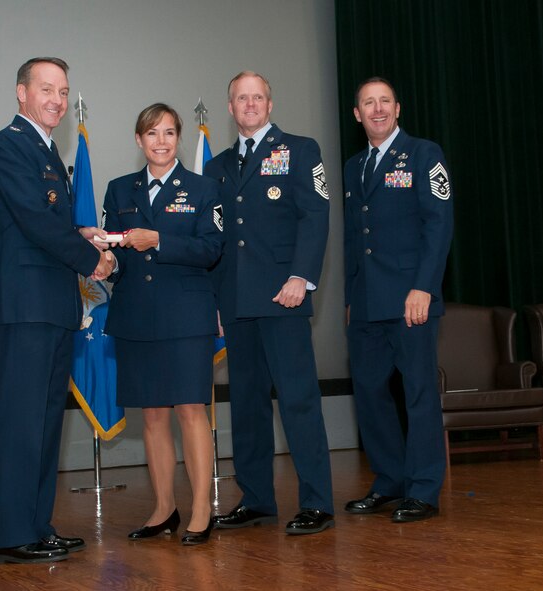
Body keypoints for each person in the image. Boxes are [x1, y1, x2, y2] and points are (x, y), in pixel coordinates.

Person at [0, 57, 115, 564]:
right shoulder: (8, 144)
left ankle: (36, 525)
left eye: (63, 90)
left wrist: (80, 237)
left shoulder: (47, 149)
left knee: (44, 423)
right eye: (46, 89)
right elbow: (35, 220)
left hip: (51, 304)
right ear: (21, 92)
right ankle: (11, 534)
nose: (57, 99)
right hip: (23, 304)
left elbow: (42, 222)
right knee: (22, 421)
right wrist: (91, 259)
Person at [204, 71, 334, 535]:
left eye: (257, 97)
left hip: (284, 296)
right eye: (241, 97)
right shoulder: (216, 167)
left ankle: (317, 501)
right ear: (230, 107)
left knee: (298, 401)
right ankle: (257, 498)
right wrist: (215, 302)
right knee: (247, 404)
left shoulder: (301, 150)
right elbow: (215, 239)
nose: (250, 104)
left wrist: (301, 276)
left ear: (270, 104)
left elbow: (315, 215)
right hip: (236, 301)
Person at [103, 103, 223, 546]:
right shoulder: (119, 190)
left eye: (169, 133)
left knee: (191, 411)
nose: (161, 141)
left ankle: (200, 509)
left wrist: (159, 240)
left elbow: (212, 248)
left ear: (179, 139)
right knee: (152, 417)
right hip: (136, 317)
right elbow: (114, 254)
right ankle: (163, 507)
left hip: (186, 316)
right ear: (139, 140)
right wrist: (104, 261)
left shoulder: (204, 187)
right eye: (152, 134)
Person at [343, 77, 454, 523]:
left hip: (411, 298)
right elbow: (355, 238)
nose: (377, 109)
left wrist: (424, 286)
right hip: (367, 302)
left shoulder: (425, 154)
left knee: (419, 394)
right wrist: (351, 296)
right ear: (357, 114)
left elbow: (438, 225)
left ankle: (424, 489)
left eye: (384, 101)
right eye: (368, 103)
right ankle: (389, 482)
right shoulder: (354, 166)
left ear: (398, 108)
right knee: (370, 395)